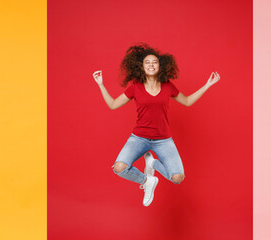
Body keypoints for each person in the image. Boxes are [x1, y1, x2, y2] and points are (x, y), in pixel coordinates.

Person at [93, 43, 220, 206]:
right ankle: (147, 181)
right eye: (147, 62)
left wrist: (207, 85)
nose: (151, 65)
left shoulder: (167, 86)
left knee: (178, 178)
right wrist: (100, 84)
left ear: (160, 66)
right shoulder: (135, 88)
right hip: (139, 138)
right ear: (141, 66)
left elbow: (187, 101)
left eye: (154, 62)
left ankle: (152, 163)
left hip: (163, 140)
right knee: (119, 167)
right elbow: (112, 105)